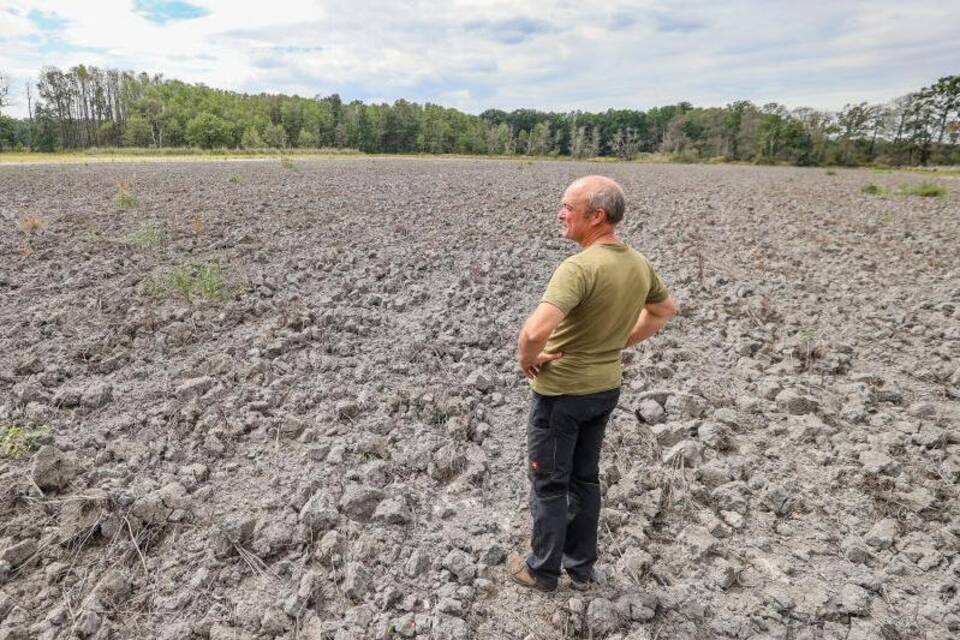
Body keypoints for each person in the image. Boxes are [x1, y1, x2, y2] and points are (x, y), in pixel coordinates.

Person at [508, 175, 679, 592]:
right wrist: (617, 341)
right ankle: (580, 569)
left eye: (568, 206)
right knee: (585, 478)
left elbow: (534, 332)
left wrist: (527, 359)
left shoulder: (579, 267)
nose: (560, 213)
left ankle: (541, 571)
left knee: (549, 483)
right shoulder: (636, 262)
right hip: (604, 389)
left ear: (596, 215)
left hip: (562, 393)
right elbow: (664, 309)